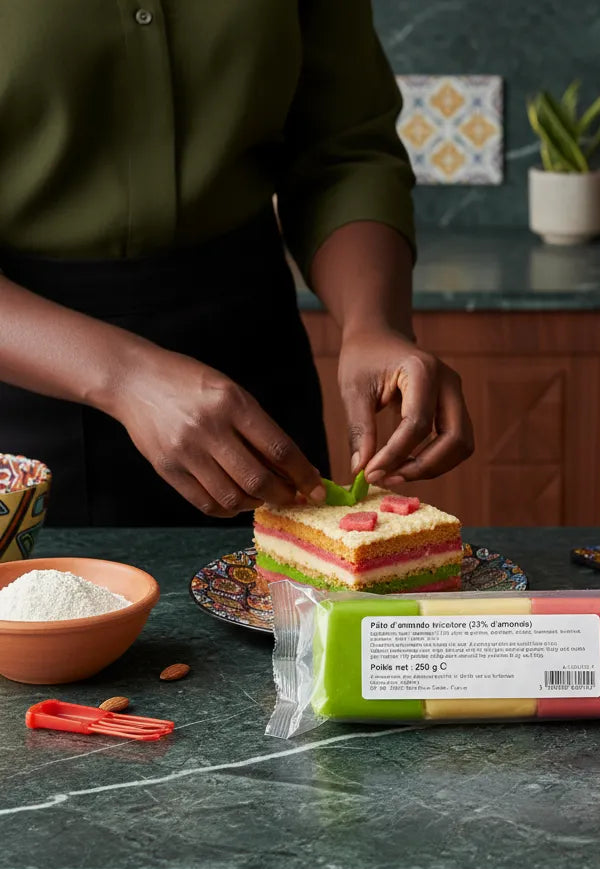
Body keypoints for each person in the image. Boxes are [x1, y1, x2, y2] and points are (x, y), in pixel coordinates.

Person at [0, 1, 473, 527]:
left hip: (252, 367)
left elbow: (344, 152)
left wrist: (374, 325)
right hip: (18, 378)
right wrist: (128, 378)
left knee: (283, 604)